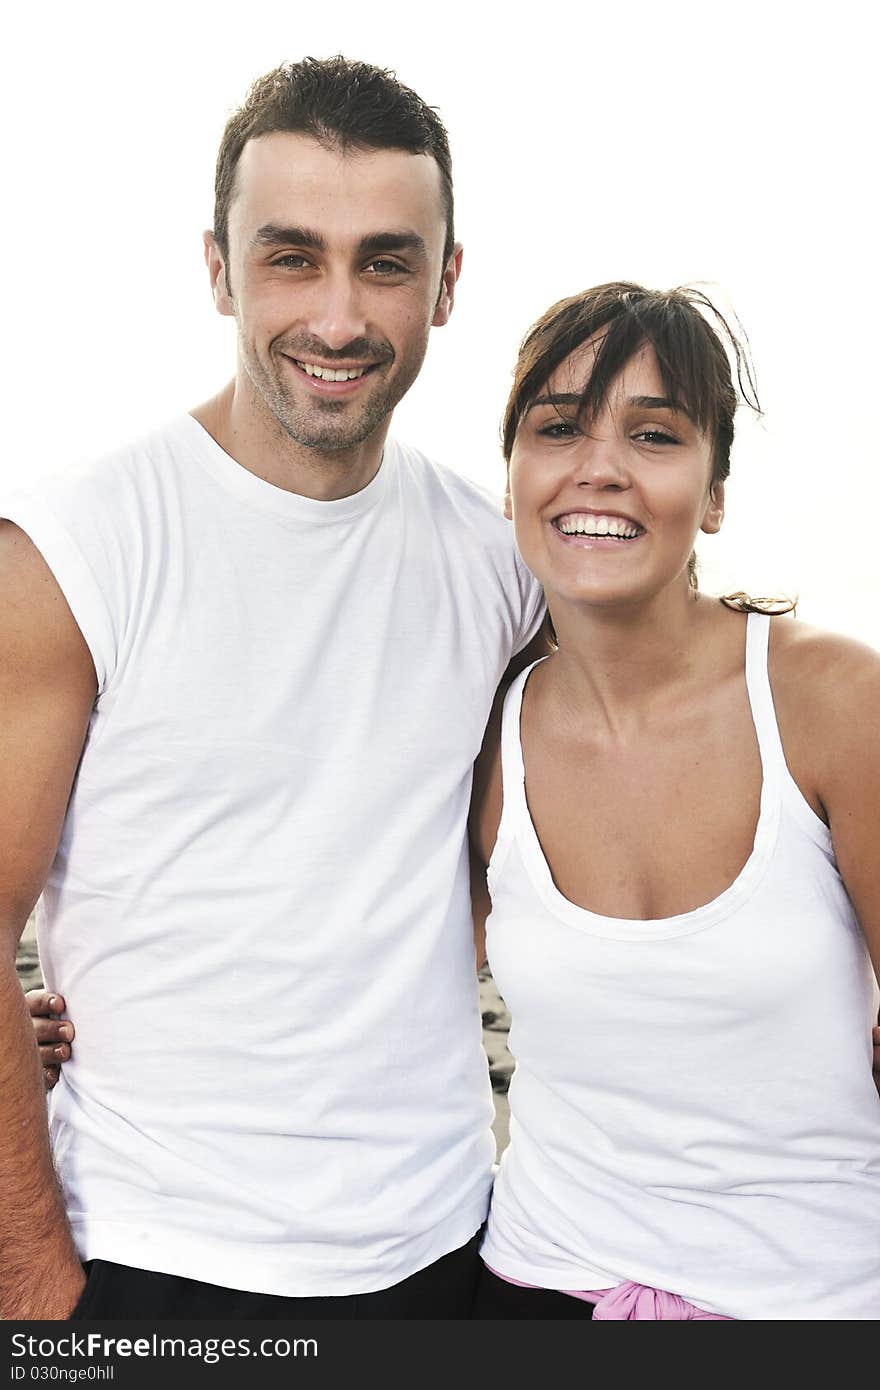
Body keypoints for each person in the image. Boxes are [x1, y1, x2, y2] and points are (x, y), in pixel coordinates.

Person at [0, 56, 545, 1321]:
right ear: (218, 268)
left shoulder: (496, 564)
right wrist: (37, 1294)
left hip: (448, 1247)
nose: (340, 316)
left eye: (387, 262)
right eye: (293, 256)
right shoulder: (78, 548)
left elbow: (633, 799)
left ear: (448, 282)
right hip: (145, 1262)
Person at [462, 282, 880, 1319]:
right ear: (512, 478)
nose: (597, 467)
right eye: (556, 428)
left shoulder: (831, 703)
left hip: (818, 1301)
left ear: (715, 493)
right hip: (536, 1287)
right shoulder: (479, 737)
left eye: (653, 434)